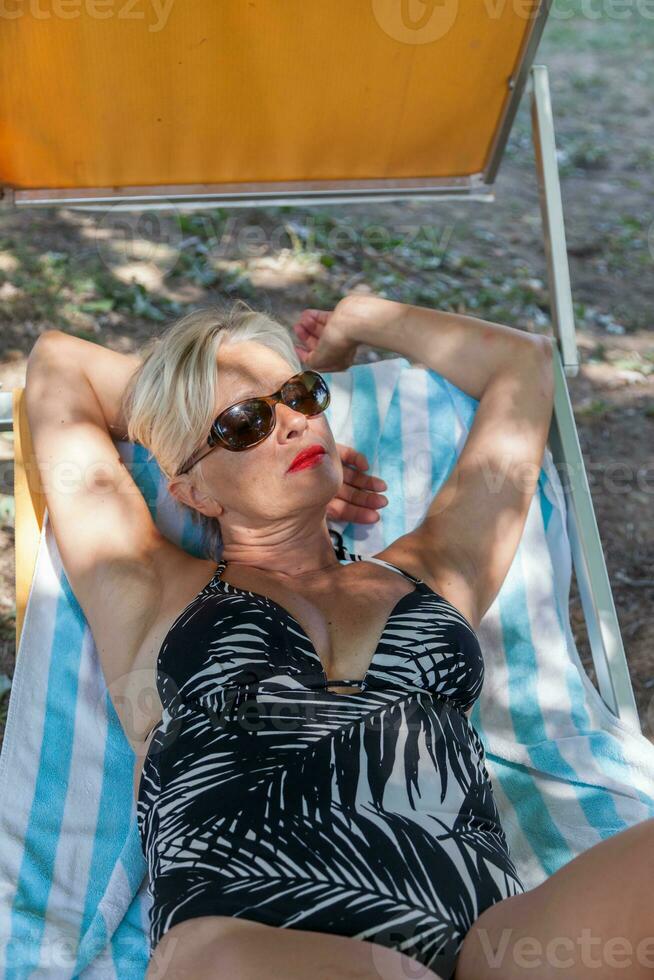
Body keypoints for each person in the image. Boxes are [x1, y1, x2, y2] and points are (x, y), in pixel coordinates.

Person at [24, 294, 654, 980]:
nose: (292, 424)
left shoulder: (433, 571)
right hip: (249, 945)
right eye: (244, 422)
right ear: (194, 492)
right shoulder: (146, 591)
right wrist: (175, 404)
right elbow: (58, 366)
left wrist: (360, 320)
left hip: (488, 950)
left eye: (298, 394)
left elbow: (523, 368)